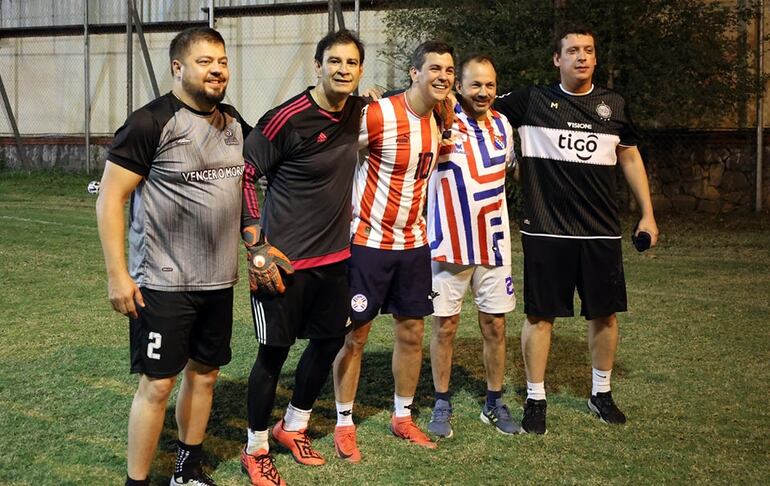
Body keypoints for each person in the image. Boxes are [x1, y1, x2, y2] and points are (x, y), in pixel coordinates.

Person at [95, 27, 248, 486]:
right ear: (178, 68)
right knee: (158, 384)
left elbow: (274, 158)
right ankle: (136, 481)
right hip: (162, 283)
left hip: (219, 280)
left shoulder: (233, 120)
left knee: (204, 376)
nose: (217, 69)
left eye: (221, 60)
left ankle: (187, 467)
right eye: (205, 61)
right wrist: (117, 275)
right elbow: (109, 199)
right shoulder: (150, 122)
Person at [493, 25, 659, 434]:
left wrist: (647, 215)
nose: (581, 57)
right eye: (572, 51)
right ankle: (535, 398)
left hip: (600, 230)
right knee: (540, 315)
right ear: (557, 59)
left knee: (604, 315)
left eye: (588, 50)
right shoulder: (531, 100)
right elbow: (473, 103)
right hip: (546, 229)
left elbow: (631, 159)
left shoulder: (613, 105)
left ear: (596, 58)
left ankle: (600, 394)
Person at [238, 30, 367, 485]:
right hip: (283, 263)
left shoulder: (357, 109)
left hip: (334, 262)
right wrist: (256, 245)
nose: (343, 70)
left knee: (329, 342)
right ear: (317, 65)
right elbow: (245, 174)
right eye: (334, 61)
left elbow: (403, 102)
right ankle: (254, 449)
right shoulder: (286, 119)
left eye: (351, 63)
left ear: (360, 70)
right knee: (272, 355)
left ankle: (291, 427)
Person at [332, 40, 456, 460]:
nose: (442, 76)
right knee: (356, 335)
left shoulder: (441, 117)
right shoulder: (378, 113)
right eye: (434, 68)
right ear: (414, 73)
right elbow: (336, 155)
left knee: (412, 333)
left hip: (414, 244)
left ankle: (402, 416)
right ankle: (344, 421)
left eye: (449, 70)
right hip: (368, 243)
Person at [425, 54, 520, 439]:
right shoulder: (439, 119)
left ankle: (494, 401)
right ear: (459, 86)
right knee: (445, 325)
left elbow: (511, 172)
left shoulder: (503, 126)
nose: (483, 92)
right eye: (475, 84)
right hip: (447, 241)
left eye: (490, 85)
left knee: (495, 324)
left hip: (494, 242)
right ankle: (441, 401)